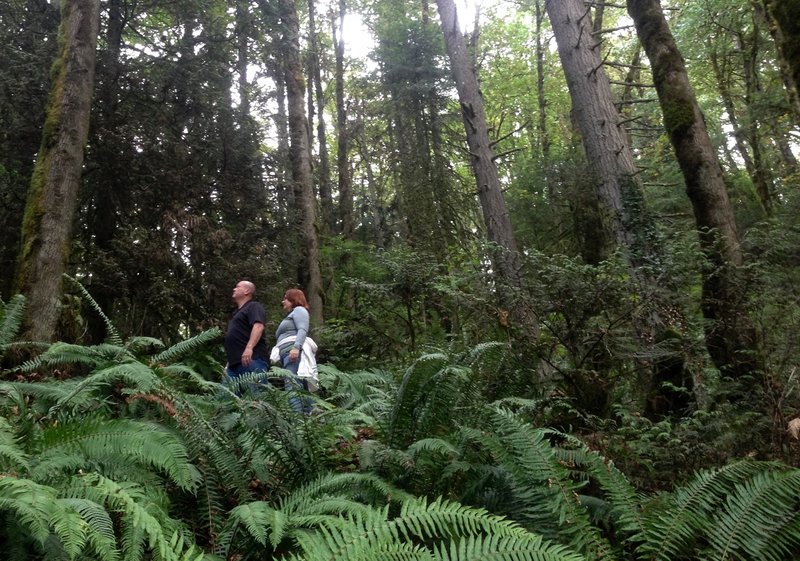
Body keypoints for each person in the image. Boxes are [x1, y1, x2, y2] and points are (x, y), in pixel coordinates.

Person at [271, 288, 318, 410]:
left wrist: (296, 348)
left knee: (292, 386)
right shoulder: (293, 313)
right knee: (301, 387)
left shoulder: (299, 310)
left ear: (293, 299)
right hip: (288, 354)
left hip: (293, 353)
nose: (283, 301)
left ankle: (297, 421)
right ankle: (309, 419)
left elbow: (302, 329)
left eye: (285, 298)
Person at [223, 280, 269, 382]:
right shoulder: (236, 313)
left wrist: (249, 348)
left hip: (252, 360)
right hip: (233, 365)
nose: (234, 289)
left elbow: (258, 326)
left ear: (246, 291)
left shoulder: (253, 306)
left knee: (255, 396)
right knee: (225, 397)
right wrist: (228, 363)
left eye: (238, 287)